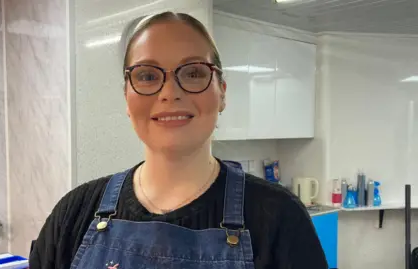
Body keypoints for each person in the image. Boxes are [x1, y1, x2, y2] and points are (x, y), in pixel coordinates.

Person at [29, 11, 328, 269]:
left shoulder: (279, 218)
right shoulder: (73, 215)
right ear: (126, 96)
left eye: (194, 72)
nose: (169, 92)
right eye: (147, 75)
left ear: (222, 92)